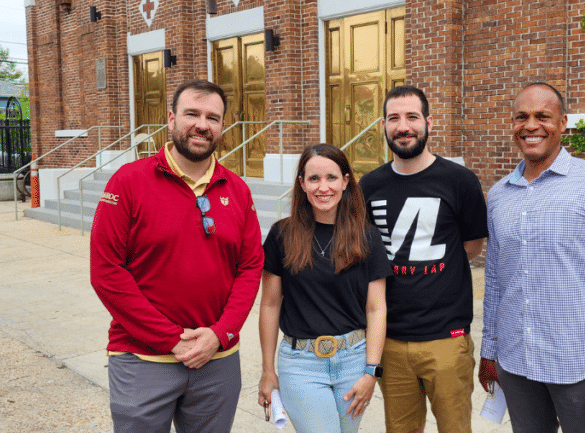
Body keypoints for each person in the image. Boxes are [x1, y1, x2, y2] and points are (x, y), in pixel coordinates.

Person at [90, 79, 264, 433]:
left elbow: (249, 268)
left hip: (217, 361)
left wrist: (220, 334)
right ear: (171, 119)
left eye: (212, 117)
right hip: (142, 358)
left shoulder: (238, 190)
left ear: (222, 127)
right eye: (192, 114)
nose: (202, 124)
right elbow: (107, 271)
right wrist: (170, 338)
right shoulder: (129, 181)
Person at [478, 82, 585, 432]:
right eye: (521, 117)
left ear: (563, 123)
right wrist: (490, 350)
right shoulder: (498, 195)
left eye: (543, 116)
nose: (531, 125)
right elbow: (496, 279)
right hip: (516, 363)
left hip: (579, 368)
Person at [359, 85, 489, 433]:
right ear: (383, 126)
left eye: (412, 117)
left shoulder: (459, 181)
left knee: (455, 428)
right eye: (394, 118)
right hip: (389, 339)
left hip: (446, 338)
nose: (403, 126)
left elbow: (472, 244)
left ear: (428, 122)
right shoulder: (368, 187)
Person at [258, 143, 391, 433]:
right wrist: (268, 370)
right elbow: (269, 304)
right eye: (314, 179)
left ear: (346, 181)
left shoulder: (366, 236)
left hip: (354, 360)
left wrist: (372, 371)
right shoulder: (281, 235)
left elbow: (376, 307)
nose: (323, 187)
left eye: (331, 178)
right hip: (300, 364)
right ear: (302, 183)